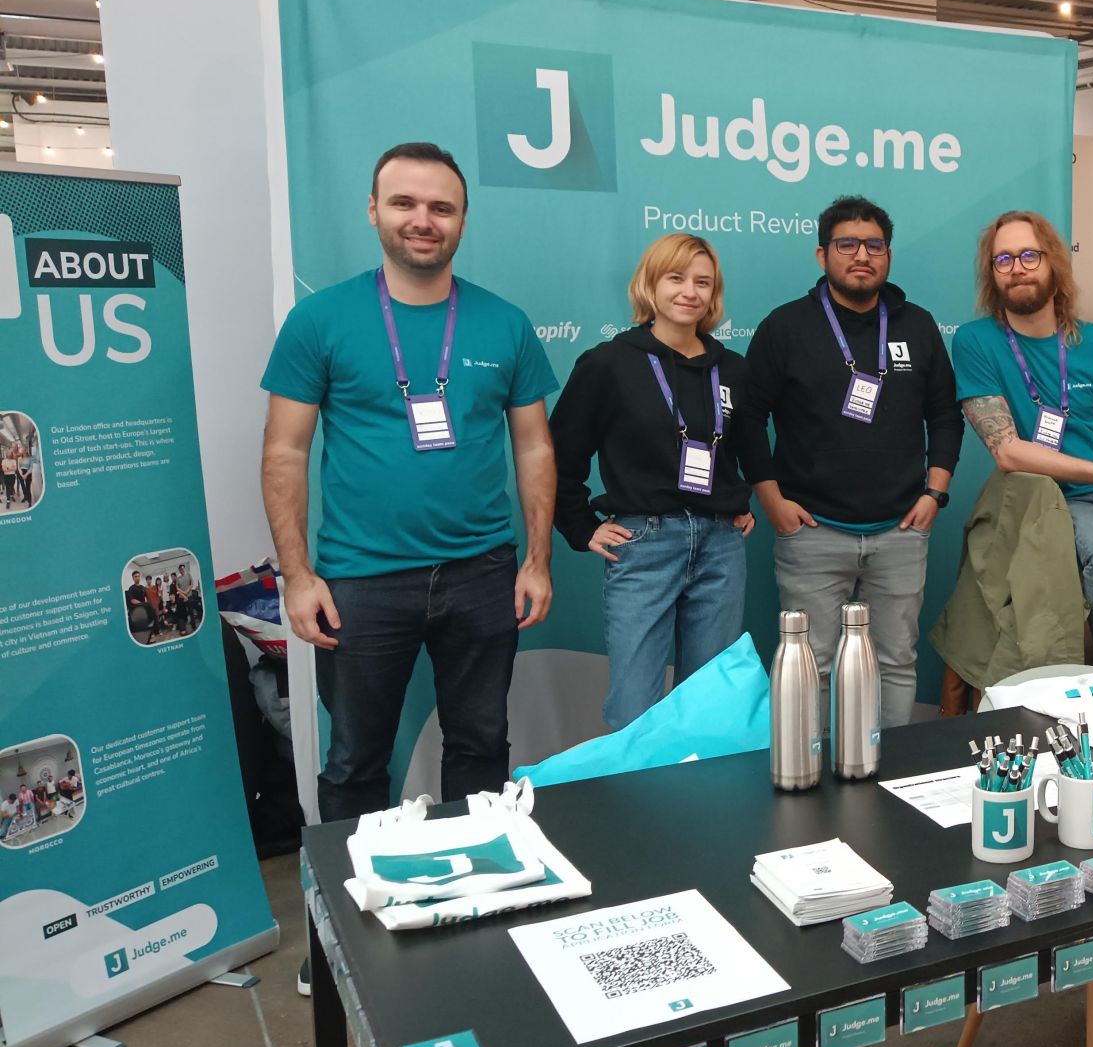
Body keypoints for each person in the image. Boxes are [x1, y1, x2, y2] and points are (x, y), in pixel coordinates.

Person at [261, 140, 558, 848]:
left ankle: (478, 888)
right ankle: (349, 914)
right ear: (373, 210)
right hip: (360, 580)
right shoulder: (320, 320)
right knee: (355, 762)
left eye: (441, 208)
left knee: (481, 747)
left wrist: (537, 560)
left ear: (462, 220)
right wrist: (298, 577)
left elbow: (534, 448)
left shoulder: (504, 323)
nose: (423, 220)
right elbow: (284, 452)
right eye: (404, 203)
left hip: (482, 573)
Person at [739, 195, 962, 728]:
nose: (862, 255)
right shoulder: (786, 327)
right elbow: (747, 419)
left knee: (895, 662)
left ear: (888, 255)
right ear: (822, 255)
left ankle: (893, 771)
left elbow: (945, 417)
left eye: (874, 245)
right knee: (810, 665)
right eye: (847, 244)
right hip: (812, 532)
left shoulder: (918, 325)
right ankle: (810, 771)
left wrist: (935, 493)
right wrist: (771, 501)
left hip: (900, 532)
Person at [550, 234, 767, 730]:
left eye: (703, 282)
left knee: (710, 703)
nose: (690, 292)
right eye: (676, 278)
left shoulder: (732, 369)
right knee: (636, 708)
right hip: (645, 542)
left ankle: (701, 784)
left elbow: (742, 447)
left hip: (720, 546)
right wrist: (580, 526)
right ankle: (635, 785)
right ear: (650, 284)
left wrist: (737, 500)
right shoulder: (608, 363)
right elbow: (560, 455)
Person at [953, 211, 1093, 669]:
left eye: (1029, 255)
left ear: (1053, 262)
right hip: (1056, 500)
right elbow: (1007, 451)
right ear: (991, 272)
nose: (1017, 268)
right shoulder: (975, 342)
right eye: (1003, 259)